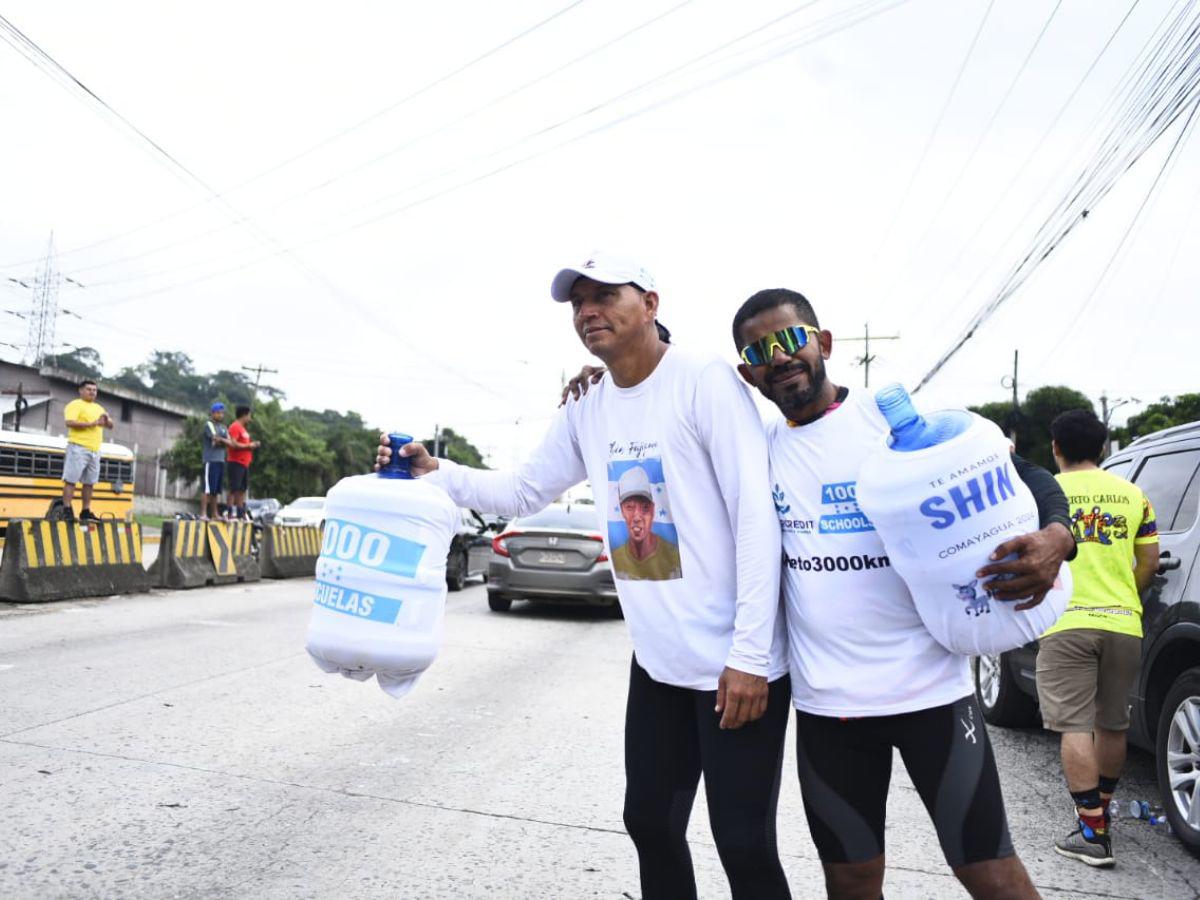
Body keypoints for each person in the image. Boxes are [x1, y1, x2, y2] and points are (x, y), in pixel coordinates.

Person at [566, 287, 1076, 899]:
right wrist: (610, 374)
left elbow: (1026, 474)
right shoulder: (757, 444)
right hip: (829, 709)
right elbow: (660, 391)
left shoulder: (889, 423)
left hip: (931, 694)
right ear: (748, 375)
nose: (779, 358)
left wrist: (1058, 536)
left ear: (823, 343)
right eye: (759, 352)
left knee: (987, 871)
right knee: (852, 881)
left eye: (790, 339)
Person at [377, 252, 792, 900]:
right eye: (578, 302)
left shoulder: (702, 380)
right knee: (650, 822)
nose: (588, 311)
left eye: (604, 295)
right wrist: (439, 471)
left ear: (650, 304)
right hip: (658, 663)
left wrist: (751, 655)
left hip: (733, 664)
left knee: (742, 842)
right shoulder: (588, 405)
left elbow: (755, 517)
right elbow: (524, 489)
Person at [1036, 409, 1158, 868]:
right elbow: (1149, 560)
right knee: (1112, 724)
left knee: (1074, 725)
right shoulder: (1134, 494)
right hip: (1124, 622)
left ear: (1056, 447)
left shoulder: (1044, 492)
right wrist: (1125, 594)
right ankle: (1099, 815)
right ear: (1104, 448)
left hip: (1067, 621)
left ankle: (1092, 832)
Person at [611, 464, 682, 580]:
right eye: (630, 507)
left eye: (645, 508)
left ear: (653, 510)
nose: (637, 517)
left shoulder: (676, 559)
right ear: (622, 510)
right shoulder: (615, 558)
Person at [61, 378, 113, 523]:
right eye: (89, 389)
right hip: (78, 447)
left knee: (89, 482)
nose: (92, 392)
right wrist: (92, 423)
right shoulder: (75, 404)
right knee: (71, 480)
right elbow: (69, 422)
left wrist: (107, 420)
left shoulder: (99, 408)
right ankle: (67, 509)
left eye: (94, 390)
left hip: (94, 449)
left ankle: (85, 511)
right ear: (81, 390)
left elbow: (110, 425)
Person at [226, 405, 261, 520]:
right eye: (249, 415)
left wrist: (252, 445)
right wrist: (249, 446)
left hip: (244, 463)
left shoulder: (243, 429)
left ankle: (240, 513)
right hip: (235, 461)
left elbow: (244, 444)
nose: (250, 418)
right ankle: (229, 512)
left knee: (242, 489)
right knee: (233, 488)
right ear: (244, 415)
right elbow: (233, 443)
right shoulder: (235, 427)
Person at [201, 402, 230, 520]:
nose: (221, 415)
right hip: (210, 460)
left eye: (222, 413)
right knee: (207, 488)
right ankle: (203, 513)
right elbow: (215, 439)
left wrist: (221, 441)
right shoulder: (209, 424)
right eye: (218, 413)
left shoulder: (224, 427)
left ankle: (215, 514)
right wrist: (223, 441)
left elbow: (230, 443)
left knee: (215, 490)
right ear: (213, 413)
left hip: (220, 460)